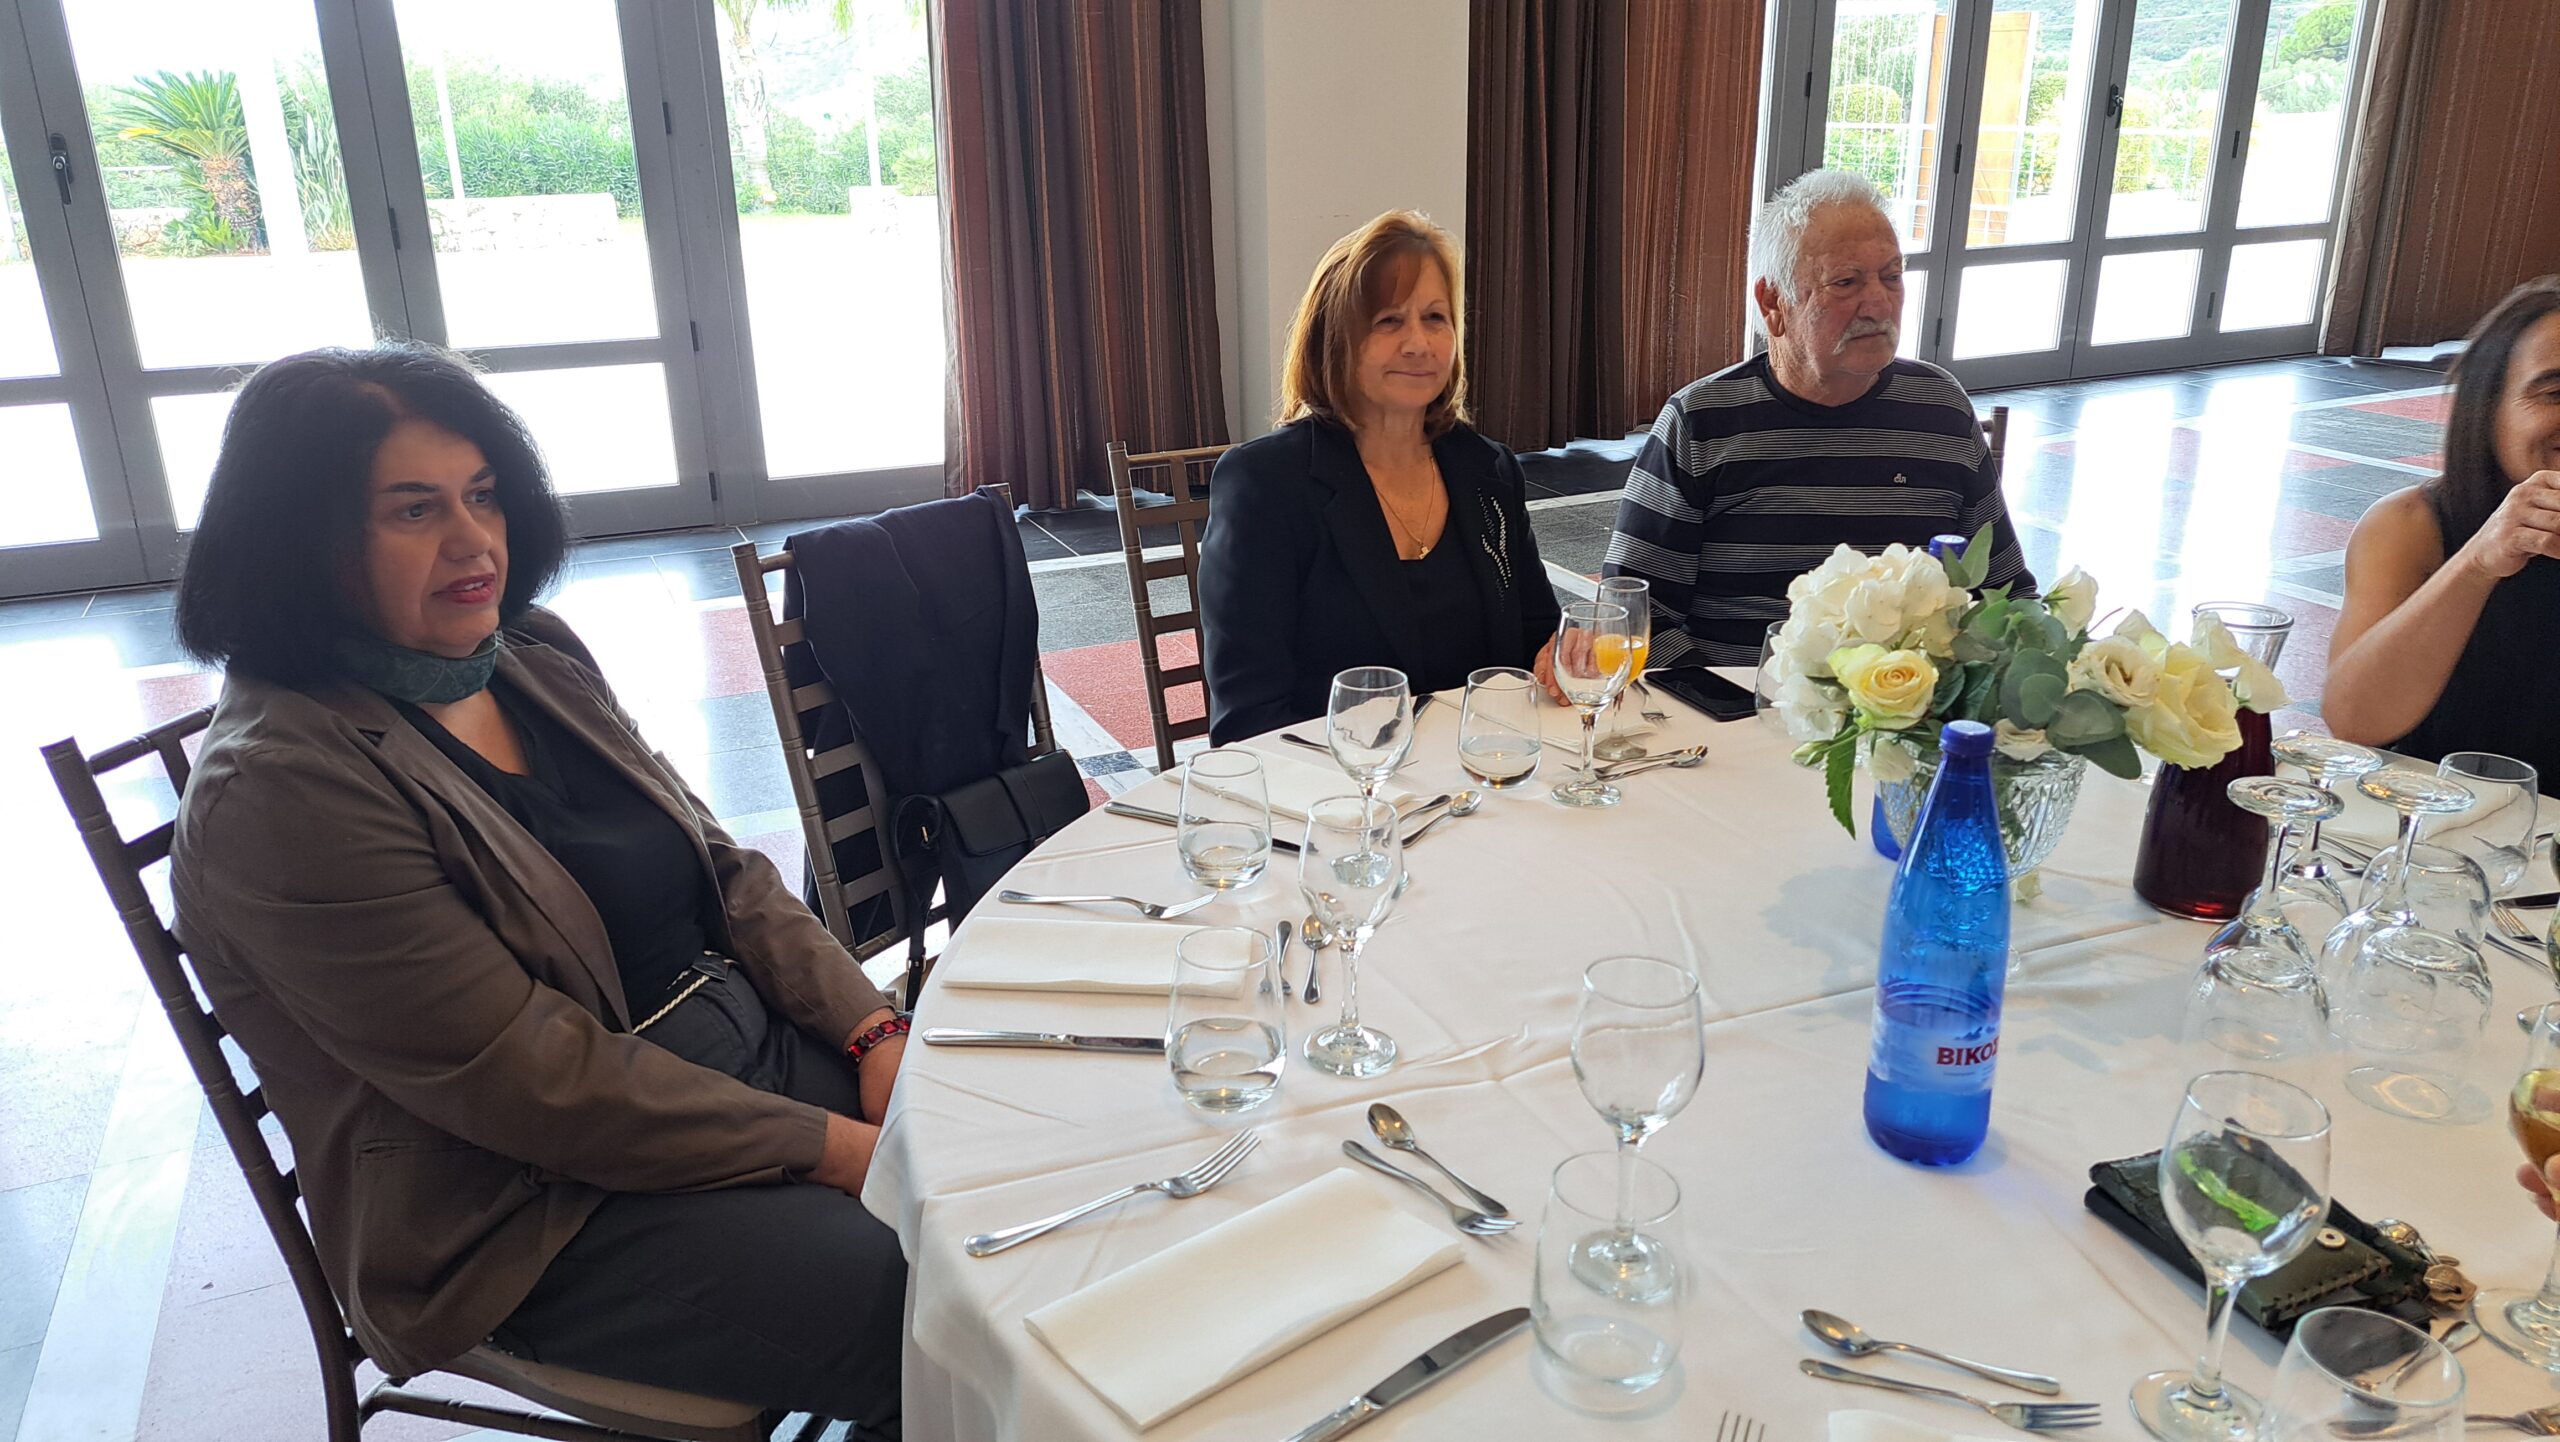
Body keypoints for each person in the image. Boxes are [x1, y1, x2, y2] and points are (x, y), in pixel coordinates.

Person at [169, 343, 904, 1436]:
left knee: (1013, 1160)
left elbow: (725, 869)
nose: (475, 542)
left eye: (482, 495)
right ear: (297, 542)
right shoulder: (283, 789)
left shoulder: (526, 652)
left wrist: (871, 1030)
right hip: (529, 1209)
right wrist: (837, 1149)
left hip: (733, 1065)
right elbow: (536, 1082)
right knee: (931, 1291)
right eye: (413, 510)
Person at [1596, 168, 2033, 672]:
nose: (1879, 303)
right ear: (1772, 302)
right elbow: (1633, 616)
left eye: (1892, 276)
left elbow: (2006, 593)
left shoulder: (1940, 408)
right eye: (1846, 282)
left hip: (1907, 706)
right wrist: (1737, 704)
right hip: (1735, 704)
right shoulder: (1703, 421)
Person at [1198, 210, 1560, 744]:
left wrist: (1560, 656)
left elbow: (1536, 638)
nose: (1419, 343)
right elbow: (1247, 719)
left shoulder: (1488, 469)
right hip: (1339, 781)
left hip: (1485, 770)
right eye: (1389, 321)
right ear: (1333, 339)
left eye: (1435, 318)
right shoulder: (1265, 484)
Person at [2324, 277, 2560, 781]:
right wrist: (2478, 563)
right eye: (2555, 393)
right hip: (2442, 814)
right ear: (2487, 405)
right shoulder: (2412, 526)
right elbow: (2353, 722)